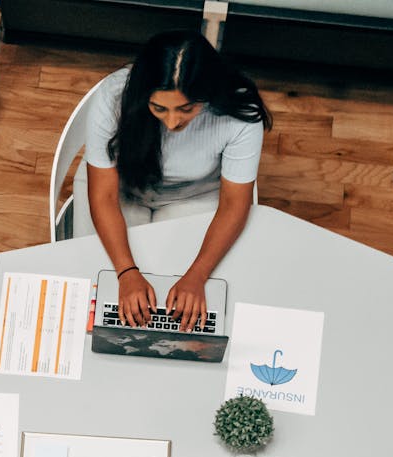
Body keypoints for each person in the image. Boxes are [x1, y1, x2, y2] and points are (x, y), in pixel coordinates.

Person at [77, 30, 272, 331]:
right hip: (123, 190)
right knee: (98, 289)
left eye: (187, 108)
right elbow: (102, 196)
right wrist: (126, 271)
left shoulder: (238, 112)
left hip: (194, 194)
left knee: (189, 299)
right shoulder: (113, 96)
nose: (171, 122)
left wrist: (197, 275)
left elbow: (235, 203)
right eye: (159, 108)